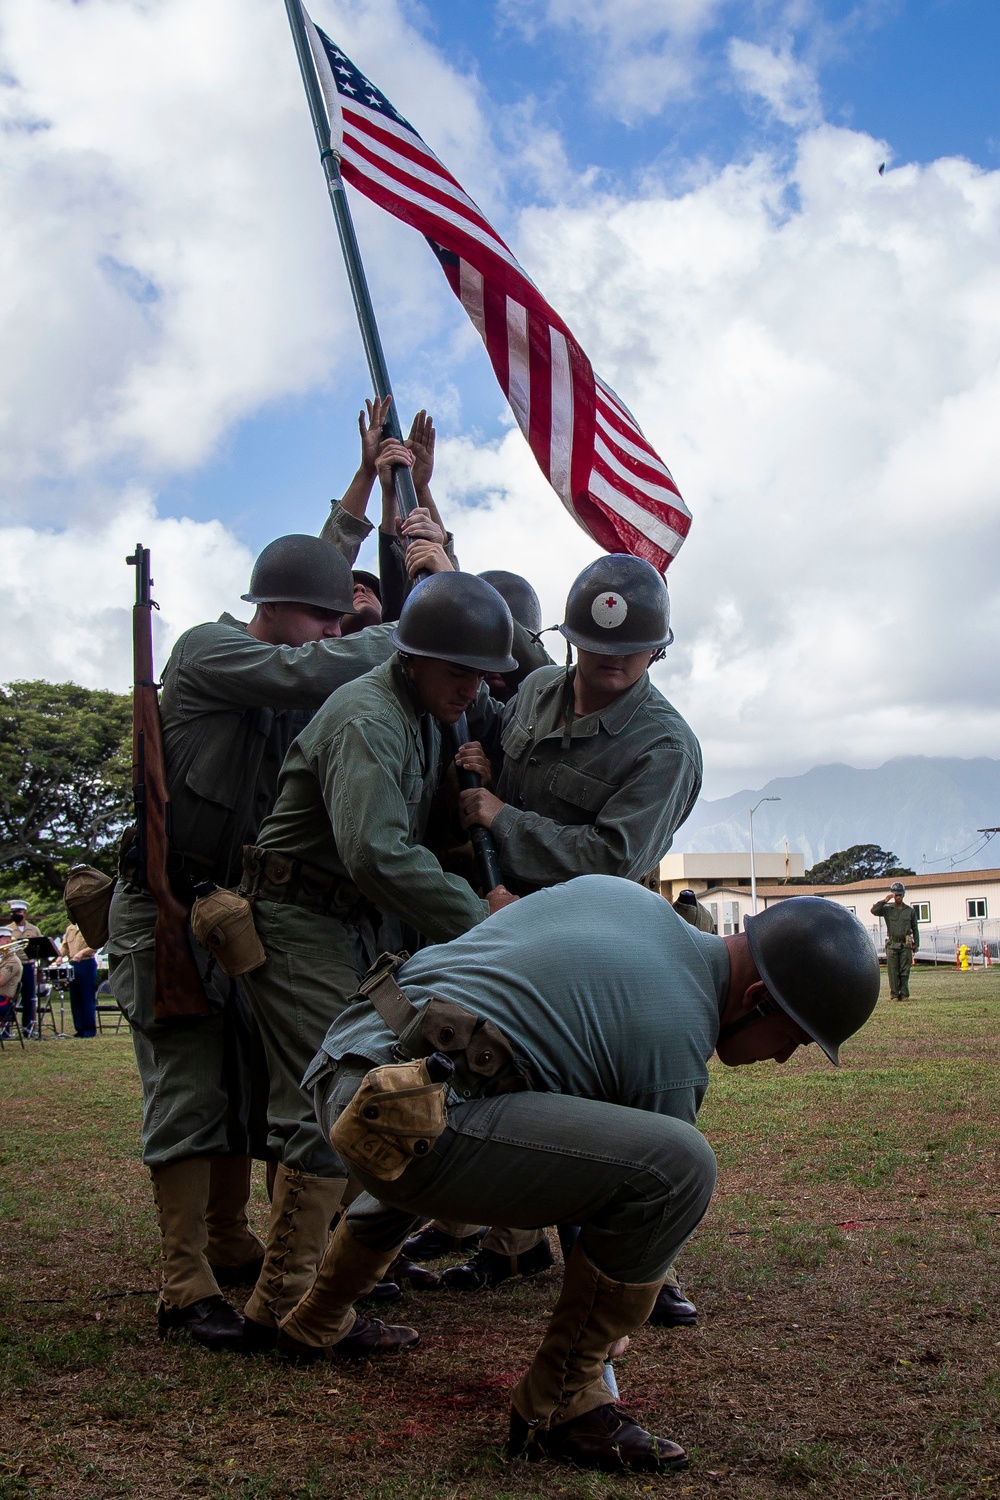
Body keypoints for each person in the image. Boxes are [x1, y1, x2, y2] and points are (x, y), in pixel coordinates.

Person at [274, 881, 879, 1474]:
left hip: (354, 1063)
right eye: (793, 1039)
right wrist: (615, 1318)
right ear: (757, 998)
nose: (781, 1057)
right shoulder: (676, 1034)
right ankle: (566, 1401)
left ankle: (317, 1319)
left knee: (485, 1107)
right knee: (680, 1167)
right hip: (411, 1117)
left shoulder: (629, 902)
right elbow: (626, 1203)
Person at [107, 533, 402, 1352]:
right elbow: (303, 672)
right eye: (323, 615)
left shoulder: (288, 674)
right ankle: (183, 1284)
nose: (331, 631)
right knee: (186, 1080)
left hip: (230, 907)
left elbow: (315, 642)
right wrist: (401, 632)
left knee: (239, 1076)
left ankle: (231, 1241)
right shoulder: (211, 649)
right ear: (272, 608)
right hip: (161, 902)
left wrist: (363, 496)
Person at [409, 555, 702, 1316]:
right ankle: (512, 1244)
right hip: (509, 927)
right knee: (505, 1082)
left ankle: (643, 1267)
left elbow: (614, 859)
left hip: (602, 939)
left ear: (657, 653)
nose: (606, 665)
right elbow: (499, 763)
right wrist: (482, 766)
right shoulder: (537, 690)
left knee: (627, 1105)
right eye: (592, 649)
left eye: (626, 655)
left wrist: (504, 818)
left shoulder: (665, 747)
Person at [237, 571, 521, 1351]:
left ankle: (320, 1277)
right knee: (325, 1099)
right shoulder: (369, 716)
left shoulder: (428, 710)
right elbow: (375, 852)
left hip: (351, 924)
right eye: (457, 672)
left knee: (358, 1085)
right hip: (302, 918)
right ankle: (290, 1307)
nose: (472, 689)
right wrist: (481, 916)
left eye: (480, 675)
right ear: (413, 657)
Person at [871, 881, 919, 1000]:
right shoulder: (887, 909)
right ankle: (894, 995)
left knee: (905, 970)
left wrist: (916, 943)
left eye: (900, 894)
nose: (898, 897)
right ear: (893, 895)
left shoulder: (910, 911)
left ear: (903, 895)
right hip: (892, 944)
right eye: (896, 894)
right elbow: (874, 911)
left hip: (905, 944)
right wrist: (885, 900)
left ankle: (904, 994)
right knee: (893, 971)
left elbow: (915, 928)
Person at [6, 899, 41, 1037]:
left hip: (28, 965)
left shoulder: (33, 929)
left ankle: (28, 1028)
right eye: (13, 912)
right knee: (10, 997)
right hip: (13, 966)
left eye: (19, 912)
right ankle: (6, 1029)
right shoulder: (7, 930)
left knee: (29, 998)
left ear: (25, 913)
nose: (16, 914)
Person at [59, 923, 98, 1038]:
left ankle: (89, 1029)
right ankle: (79, 1029)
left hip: (86, 963)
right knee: (75, 998)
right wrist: (59, 956)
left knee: (87, 997)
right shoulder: (69, 929)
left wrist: (82, 953)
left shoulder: (89, 926)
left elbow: (95, 945)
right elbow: (65, 946)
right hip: (72, 963)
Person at [0, 927, 24, 1038]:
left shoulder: (12, 960)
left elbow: (1, 981)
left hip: (3, 1001)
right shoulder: (2, 958)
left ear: (7, 940)